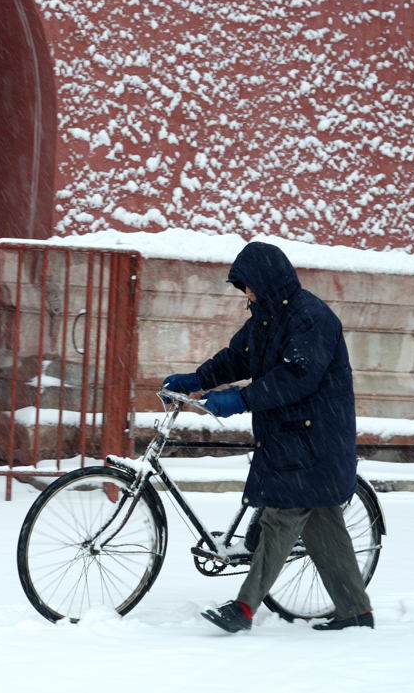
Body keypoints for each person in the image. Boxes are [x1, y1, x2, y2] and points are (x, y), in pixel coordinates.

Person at [162, 242, 373, 633]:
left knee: (281, 517)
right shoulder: (265, 317)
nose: (248, 294)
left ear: (269, 280)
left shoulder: (313, 318)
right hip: (290, 436)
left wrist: (241, 398)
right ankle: (356, 612)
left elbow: (297, 377)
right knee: (323, 525)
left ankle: (244, 608)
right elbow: (236, 357)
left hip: (316, 438)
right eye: (244, 288)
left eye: (251, 286)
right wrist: (198, 378)